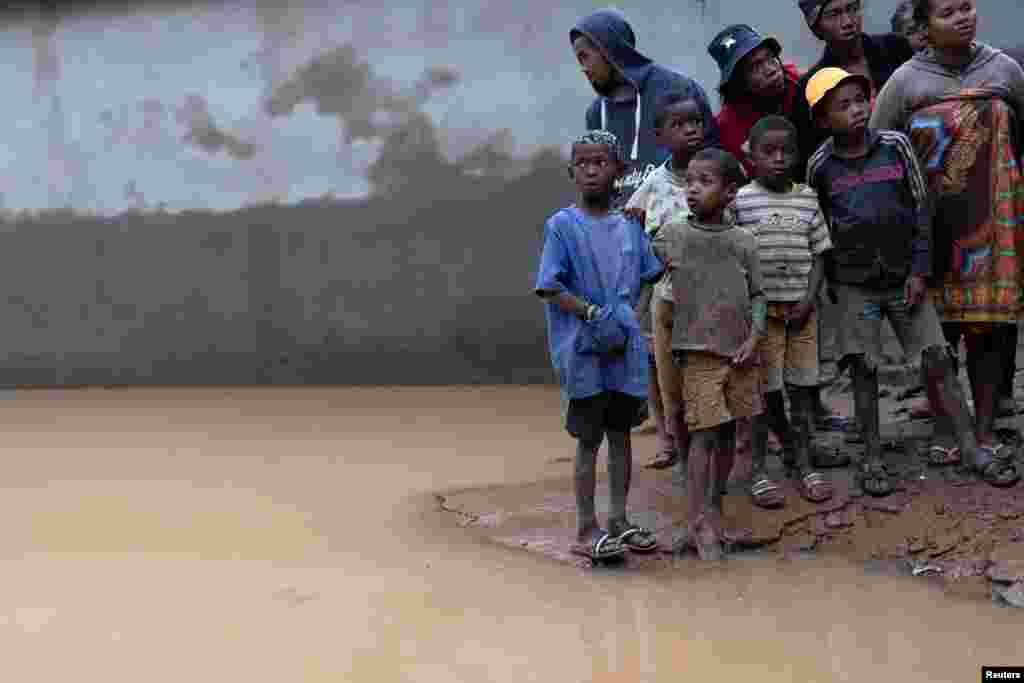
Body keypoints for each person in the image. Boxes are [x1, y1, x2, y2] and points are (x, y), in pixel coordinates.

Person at [806, 67, 1007, 497]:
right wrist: (830, 285)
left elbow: (920, 208)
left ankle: (971, 448)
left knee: (937, 358)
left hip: (904, 279)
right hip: (855, 284)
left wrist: (920, 270)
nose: (858, 110)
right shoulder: (820, 166)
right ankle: (872, 457)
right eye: (843, 106)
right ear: (822, 120)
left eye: (861, 99)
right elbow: (817, 224)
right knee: (863, 368)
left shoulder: (894, 147)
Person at [870, 0, 1024, 487]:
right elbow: (880, 151)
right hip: (929, 230)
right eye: (947, 12)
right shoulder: (904, 83)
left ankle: (981, 430)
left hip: (990, 227)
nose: (962, 17)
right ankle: (944, 429)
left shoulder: (1004, 70)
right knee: (937, 339)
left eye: (967, 6)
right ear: (924, 26)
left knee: (987, 334)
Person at [571, 8, 721, 438]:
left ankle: (709, 420)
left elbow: (708, 158)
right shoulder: (594, 114)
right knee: (645, 341)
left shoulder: (676, 89)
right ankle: (667, 427)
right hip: (632, 247)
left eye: (586, 55)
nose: (583, 67)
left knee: (700, 335)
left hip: (690, 241)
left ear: (610, 50)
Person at [534, 130, 665, 562]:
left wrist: (632, 318)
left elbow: (650, 274)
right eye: (583, 163)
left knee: (622, 436)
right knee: (589, 439)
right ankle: (586, 528)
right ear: (572, 171)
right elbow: (551, 287)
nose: (592, 170)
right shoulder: (561, 226)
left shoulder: (630, 226)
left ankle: (619, 520)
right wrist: (591, 314)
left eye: (601, 162)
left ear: (619, 171)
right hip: (584, 352)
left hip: (623, 351)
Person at [792, 0, 916, 423]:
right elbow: (818, 169)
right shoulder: (813, 86)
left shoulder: (895, 51)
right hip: (858, 232)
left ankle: (942, 406)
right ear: (815, 26)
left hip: (913, 191)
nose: (847, 21)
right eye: (833, 14)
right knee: (863, 348)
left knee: (932, 320)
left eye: (852, 8)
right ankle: (872, 438)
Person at [653, 148, 765, 559]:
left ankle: (714, 512)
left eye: (705, 182)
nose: (693, 189)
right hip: (697, 352)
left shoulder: (743, 242)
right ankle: (697, 520)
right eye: (691, 181)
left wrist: (754, 338)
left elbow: (758, 295)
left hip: (739, 353)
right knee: (703, 436)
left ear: (730, 192)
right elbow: (656, 263)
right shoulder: (675, 235)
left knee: (732, 434)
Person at [735, 115, 846, 508]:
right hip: (762, 318)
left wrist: (809, 299)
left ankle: (803, 465)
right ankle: (760, 471)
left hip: (802, 314)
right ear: (752, 157)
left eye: (787, 151)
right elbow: (734, 257)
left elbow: (819, 255)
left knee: (801, 393)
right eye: (769, 152)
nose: (779, 159)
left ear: (798, 155)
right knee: (764, 396)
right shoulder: (741, 201)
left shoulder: (807, 198)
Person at [623, 92, 706, 471]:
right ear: (660, 136)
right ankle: (668, 438)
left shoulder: (714, 174)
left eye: (696, 122)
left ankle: (719, 439)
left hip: (710, 292)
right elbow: (633, 228)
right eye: (679, 124)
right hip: (666, 294)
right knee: (661, 368)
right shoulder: (653, 184)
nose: (690, 129)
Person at [707, 24, 805, 177]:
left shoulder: (801, 83)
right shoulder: (726, 129)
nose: (771, 69)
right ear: (737, 83)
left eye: (771, 58)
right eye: (755, 66)